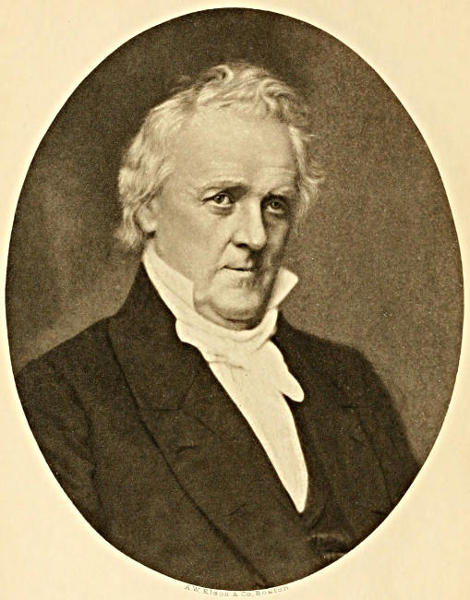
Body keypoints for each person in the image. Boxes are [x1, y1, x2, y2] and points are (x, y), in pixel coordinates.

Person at [15, 63, 418, 590]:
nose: (255, 236)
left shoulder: (350, 381)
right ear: (147, 207)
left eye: (275, 204)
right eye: (223, 199)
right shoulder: (59, 399)